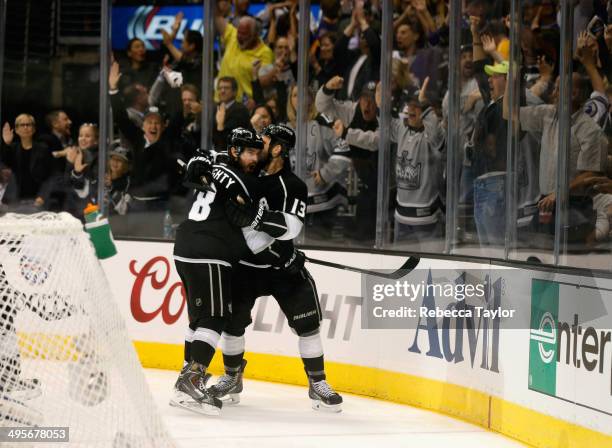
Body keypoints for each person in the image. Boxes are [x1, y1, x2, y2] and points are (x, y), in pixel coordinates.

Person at [208, 124, 344, 412]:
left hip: (283, 266)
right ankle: (232, 377)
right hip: (246, 266)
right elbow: (220, 162)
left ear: (278, 149)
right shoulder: (246, 172)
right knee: (232, 324)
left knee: (308, 326)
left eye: (265, 141)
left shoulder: (293, 185)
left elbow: (290, 227)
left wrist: (254, 216)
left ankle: (317, 383)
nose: (258, 144)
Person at [170, 128, 264, 416]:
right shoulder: (242, 179)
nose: (255, 157)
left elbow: (192, 165)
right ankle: (192, 379)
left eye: (257, 152)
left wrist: (192, 163)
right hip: (208, 249)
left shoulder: (214, 162)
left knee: (199, 318)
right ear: (235, 151)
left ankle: (186, 380)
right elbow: (249, 219)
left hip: (186, 244)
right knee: (215, 316)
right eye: (249, 152)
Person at [214, 9, 274, 102]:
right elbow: (216, 16)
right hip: (220, 101)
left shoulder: (265, 52)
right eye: (239, 33)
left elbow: (263, 82)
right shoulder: (233, 36)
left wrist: (275, 71)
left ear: (255, 35)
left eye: (244, 34)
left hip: (244, 106)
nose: (240, 37)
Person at [1, 115, 52, 212]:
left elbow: (50, 176)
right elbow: (5, 163)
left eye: (28, 124)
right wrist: (7, 144)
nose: (25, 127)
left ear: (34, 129)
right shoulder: (12, 149)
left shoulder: (43, 149)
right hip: (14, 200)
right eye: (22, 125)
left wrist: (42, 196)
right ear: (16, 129)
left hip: (37, 199)